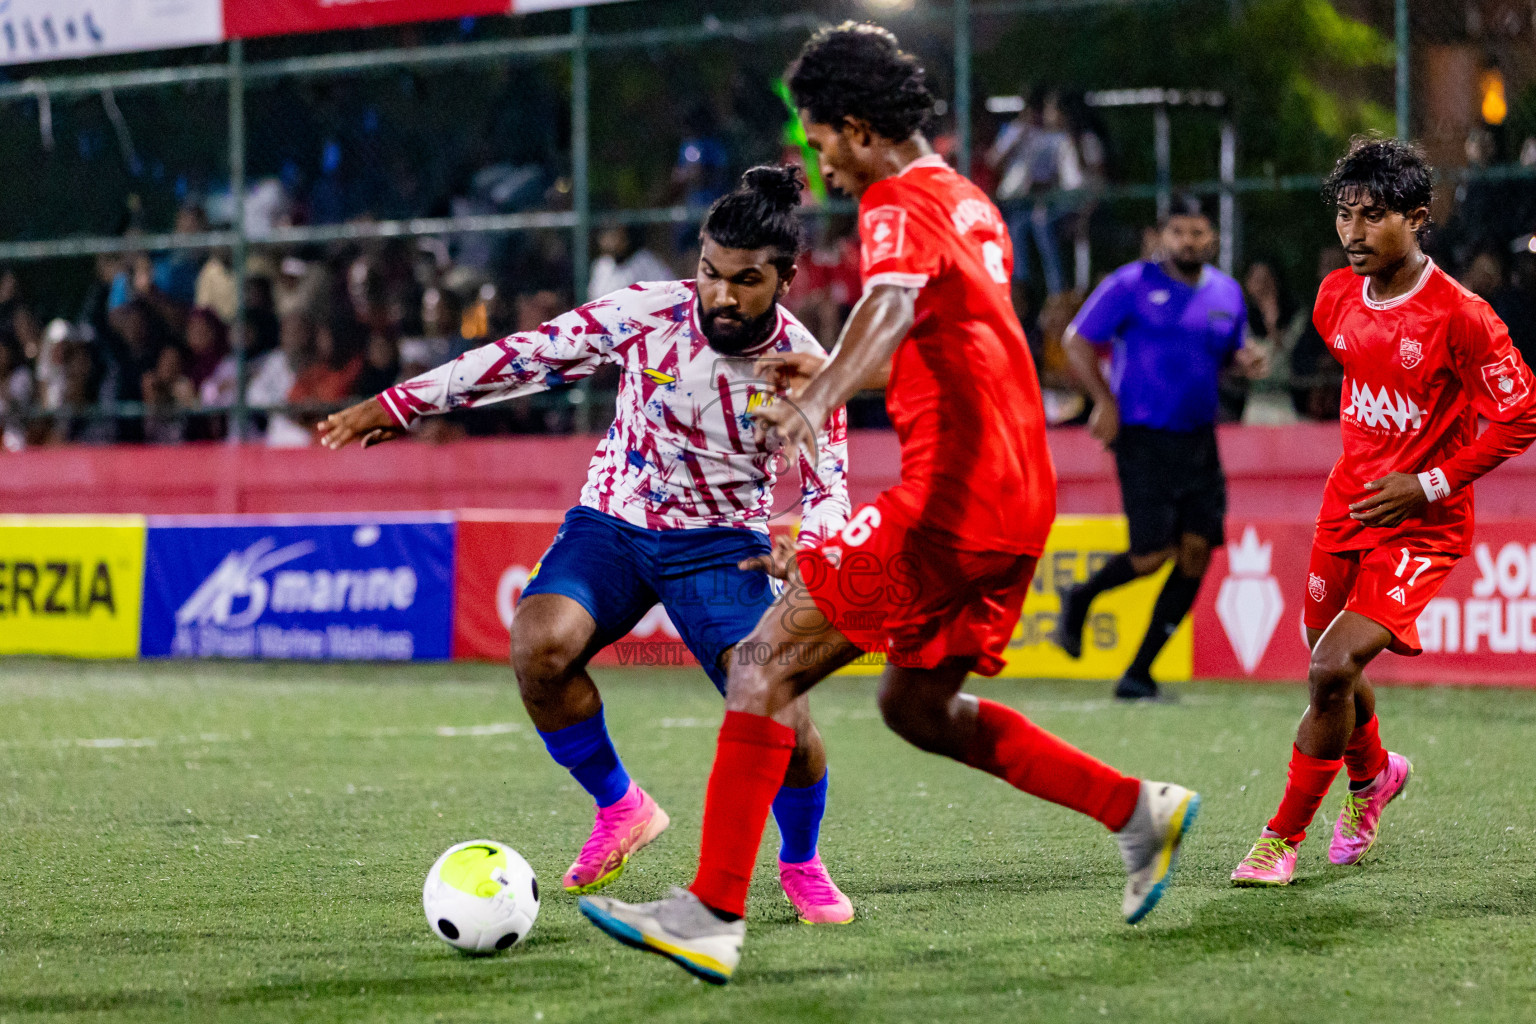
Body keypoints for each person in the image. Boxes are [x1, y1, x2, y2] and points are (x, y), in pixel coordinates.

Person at [577, 24, 1199, 984]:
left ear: (859, 128)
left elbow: (895, 308)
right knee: (916, 704)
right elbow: (954, 342)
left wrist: (822, 397)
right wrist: (837, 371)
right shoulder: (969, 199)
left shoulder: (895, 199)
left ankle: (707, 913)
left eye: (822, 139)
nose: (816, 158)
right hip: (1017, 492)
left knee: (761, 664)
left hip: (951, 496)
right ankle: (1135, 811)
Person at [318, 166, 857, 925]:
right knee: (538, 649)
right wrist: (404, 402)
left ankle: (801, 862)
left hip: (721, 545)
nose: (721, 296)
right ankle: (622, 807)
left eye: (746, 280)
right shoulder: (648, 313)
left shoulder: (805, 366)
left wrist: (815, 542)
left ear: (785, 279)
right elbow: (525, 355)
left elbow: (830, 480)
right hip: (614, 520)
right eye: (709, 272)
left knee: (777, 707)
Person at [1230, 138, 1536, 886]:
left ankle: (1279, 840)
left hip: (1421, 527)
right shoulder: (1334, 297)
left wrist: (1427, 482)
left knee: (1330, 667)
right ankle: (1374, 778)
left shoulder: (1464, 318)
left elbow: (1521, 415)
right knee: (1327, 662)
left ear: (1418, 219)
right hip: (1346, 508)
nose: (1354, 232)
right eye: (1344, 215)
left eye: (1373, 217)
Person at [1055, 195, 1268, 701]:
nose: (1189, 242)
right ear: (1161, 237)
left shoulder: (1227, 293)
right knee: (1153, 555)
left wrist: (1246, 362)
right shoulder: (1130, 284)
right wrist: (1102, 402)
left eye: (1198, 233)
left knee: (1196, 553)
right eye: (1179, 233)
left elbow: (1228, 354)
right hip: (1142, 436)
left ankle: (1139, 674)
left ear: (1211, 238)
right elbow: (1075, 341)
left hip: (1199, 438)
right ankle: (1081, 596)